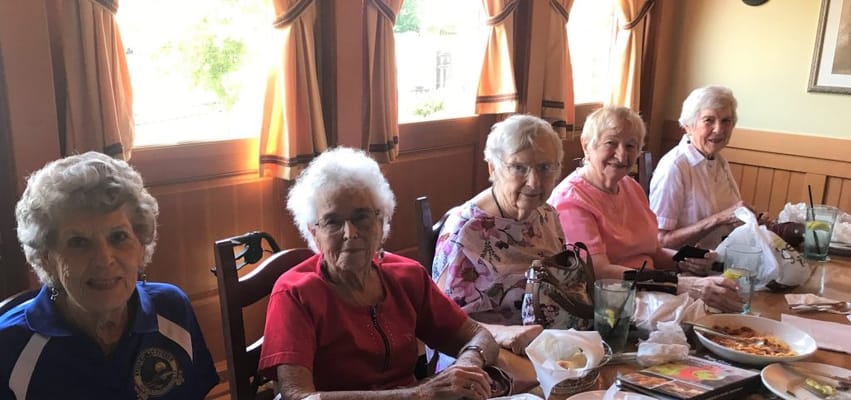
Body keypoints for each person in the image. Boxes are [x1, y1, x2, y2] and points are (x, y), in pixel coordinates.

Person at [259, 147, 499, 400]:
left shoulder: (407, 277)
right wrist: (417, 394)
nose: (350, 233)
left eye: (361, 217)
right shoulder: (295, 293)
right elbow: (297, 397)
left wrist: (467, 365)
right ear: (314, 232)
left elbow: (478, 335)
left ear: (381, 220)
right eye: (332, 222)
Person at [1, 152, 218, 399]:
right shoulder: (9, 348)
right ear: (46, 257)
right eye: (79, 242)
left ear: (141, 245)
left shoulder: (172, 310)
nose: (104, 260)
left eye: (119, 237)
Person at [547, 106, 744, 312]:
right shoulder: (571, 199)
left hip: (649, 295)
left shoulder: (630, 186)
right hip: (608, 305)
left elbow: (651, 251)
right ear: (587, 145)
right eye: (611, 143)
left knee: (732, 306)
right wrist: (678, 283)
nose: (622, 155)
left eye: (631, 145)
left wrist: (682, 262)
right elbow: (598, 272)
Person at [432, 115, 568, 356]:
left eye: (545, 167)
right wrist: (500, 334)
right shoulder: (465, 231)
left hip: (549, 345)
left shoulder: (547, 215)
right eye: (519, 167)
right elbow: (438, 321)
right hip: (480, 352)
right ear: (493, 168)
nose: (534, 182)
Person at [649, 85, 768, 251]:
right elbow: (660, 241)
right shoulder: (674, 167)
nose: (719, 129)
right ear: (688, 126)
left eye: (726, 121)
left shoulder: (718, 161)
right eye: (708, 120)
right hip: (684, 267)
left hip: (720, 258)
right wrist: (718, 219)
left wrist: (752, 220)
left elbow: (729, 218)